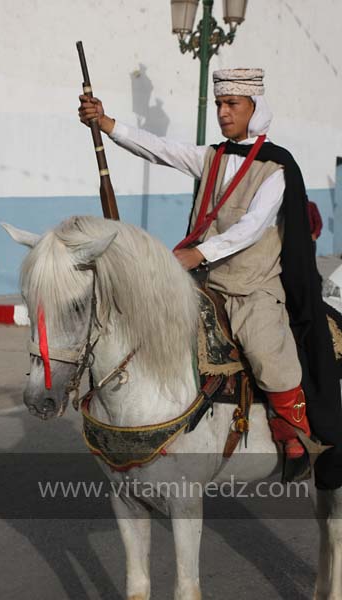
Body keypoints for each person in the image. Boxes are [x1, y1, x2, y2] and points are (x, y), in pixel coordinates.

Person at [78, 68, 342, 491]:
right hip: (205, 282)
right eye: (219, 104)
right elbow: (159, 149)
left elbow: (251, 228)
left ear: (255, 110)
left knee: (264, 348)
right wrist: (107, 124)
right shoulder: (211, 156)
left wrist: (197, 252)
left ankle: (295, 432)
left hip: (252, 287)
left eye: (231, 104)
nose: (222, 112)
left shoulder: (276, 168)